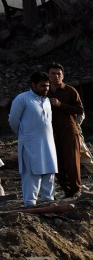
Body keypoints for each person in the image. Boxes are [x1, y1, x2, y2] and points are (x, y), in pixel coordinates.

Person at [8, 72, 59, 207]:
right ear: (33, 85)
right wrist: (24, 134)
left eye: (47, 86)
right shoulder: (22, 99)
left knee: (49, 168)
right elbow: (13, 120)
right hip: (30, 142)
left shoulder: (47, 100)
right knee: (32, 171)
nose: (45, 88)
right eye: (42, 86)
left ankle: (48, 198)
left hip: (48, 141)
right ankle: (30, 201)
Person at [46, 63, 83, 198]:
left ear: (63, 76)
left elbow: (79, 109)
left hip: (68, 130)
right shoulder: (45, 92)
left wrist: (60, 105)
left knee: (72, 161)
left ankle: (76, 189)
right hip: (50, 132)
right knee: (56, 162)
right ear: (48, 76)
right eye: (53, 73)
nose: (56, 76)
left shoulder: (70, 90)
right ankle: (66, 190)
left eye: (58, 74)